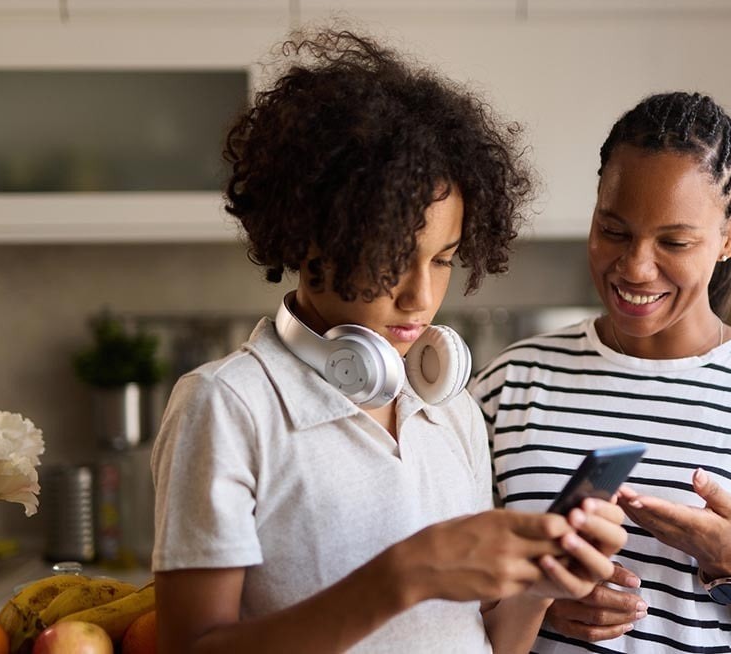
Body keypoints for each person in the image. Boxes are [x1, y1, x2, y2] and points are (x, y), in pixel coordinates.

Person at [150, 29, 628, 654]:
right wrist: (404, 575)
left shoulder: (449, 408)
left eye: (443, 260)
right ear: (306, 236)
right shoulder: (228, 406)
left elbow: (485, 643)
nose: (419, 297)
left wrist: (540, 587)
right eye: (390, 257)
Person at [471, 91, 731, 653]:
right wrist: (543, 605)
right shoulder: (508, 387)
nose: (634, 266)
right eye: (613, 230)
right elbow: (446, 603)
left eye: (674, 241)